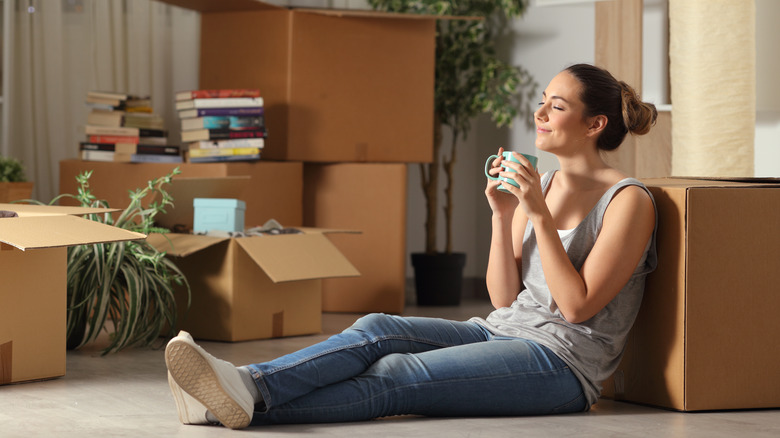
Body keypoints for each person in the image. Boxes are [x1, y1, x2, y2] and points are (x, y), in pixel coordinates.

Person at [164, 63, 658, 430]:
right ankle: (243, 385)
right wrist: (502, 215)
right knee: (378, 329)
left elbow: (574, 307)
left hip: (563, 366)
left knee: (397, 375)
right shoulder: (544, 186)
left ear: (594, 125)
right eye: (544, 99)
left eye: (558, 105)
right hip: (501, 332)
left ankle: (221, 402)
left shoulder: (628, 201)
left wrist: (536, 215)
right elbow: (503, 300)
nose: (540, 112)